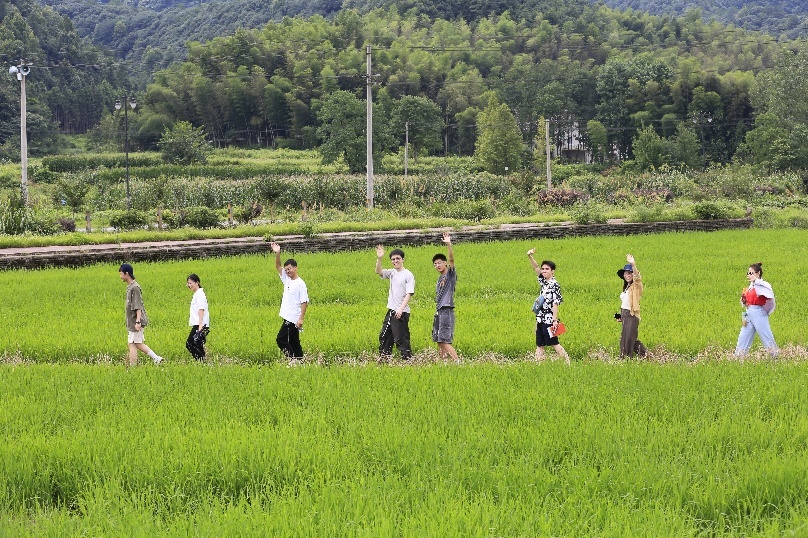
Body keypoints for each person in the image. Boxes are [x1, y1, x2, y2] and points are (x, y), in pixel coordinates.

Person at [527, 249, 569, 363]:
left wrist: (554, 320)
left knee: (554, 343)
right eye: (543, 269)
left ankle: (568, 363)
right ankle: (538, 365)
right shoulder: (544, 281)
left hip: (549, 320)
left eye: (547, 269)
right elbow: (536, 268)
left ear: (552, 271)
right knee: (539, 344)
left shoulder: (554, 285)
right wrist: (530, 256)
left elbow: (555, 303)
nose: (544, 271)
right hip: (540, 318)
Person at [119, 263, 163, 366]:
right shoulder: (130, 287)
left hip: (135, 321)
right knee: (136, 344)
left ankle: (135, 366)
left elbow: (138, 306)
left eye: (121, 274)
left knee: (133, 344)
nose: (120, 276)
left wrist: (138, 321)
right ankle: (155, 358)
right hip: (132, 321)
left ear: (127, 274)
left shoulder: (135, 288)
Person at [270, 242, 308, 362]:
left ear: (295, 268)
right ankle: (300, 361)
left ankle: (293, 360)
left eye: (289, 269)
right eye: (286, 270)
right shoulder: (287, 280)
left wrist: (301, 318)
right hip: (288, 316)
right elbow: (277, 266)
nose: (287, 272)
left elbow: (304, 302)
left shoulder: (300, 284)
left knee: (280, 339)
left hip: (293, 318)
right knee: (293, 341)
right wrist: (278, 253)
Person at [376, 244, 415, 360]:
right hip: (392, 311)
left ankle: (408, 360)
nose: (395, 261)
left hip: (401, 312)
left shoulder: (408, 275)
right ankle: (384, 359)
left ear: (403, 259)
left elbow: (409, 293)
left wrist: (400, 309)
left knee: (401, 339)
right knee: (385, 336)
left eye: (398, 258)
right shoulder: (392, 272)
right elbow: (378, 271)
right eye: (393, 259)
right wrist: (379, 258)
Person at [735, 262, 778, 357]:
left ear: (758, 273)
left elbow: (769, 293)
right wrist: (743, 300)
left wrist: (756, 280)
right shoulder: (749, 287)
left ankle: (775, 357)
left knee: (765, 335)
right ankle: (738, 358)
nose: (749, 275)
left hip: (758, 313)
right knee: (743, 336)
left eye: (751, 273)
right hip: (747, 313)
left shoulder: (762, 284)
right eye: (748, 273)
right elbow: (745, 302)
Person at [432, 232, 459, 362]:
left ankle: (458, 362)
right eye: (435, 264)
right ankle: (443, 364)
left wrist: (448, 244)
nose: (437, 265)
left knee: (444, 339)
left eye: (439, 263)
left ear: (445, 263)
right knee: (438, 340)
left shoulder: (450, 275)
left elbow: (452, 259)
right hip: (439, 310)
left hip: (446, 309)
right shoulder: (439, 279)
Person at [616, 254, 647, 358]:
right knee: (627, 338)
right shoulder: (626, 288)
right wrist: (620, 316)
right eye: (625, 273)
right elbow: (625, 304)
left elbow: (637, 277)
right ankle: (646, 355)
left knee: (629, 338)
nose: (627, 275)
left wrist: (633, 264)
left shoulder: (636, 286)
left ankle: (626, 359)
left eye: (629, 273)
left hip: (632, 315)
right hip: (625, 314)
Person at [185, 273, 210, 361]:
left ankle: (201, 361)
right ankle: (203, 363)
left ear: (197, 282)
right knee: (198, 345)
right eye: (188, 283)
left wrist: (200, 325)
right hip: (200, 323)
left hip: (199, 324)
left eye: (191, 283)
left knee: (189, 343)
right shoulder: (197, 293)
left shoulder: (199, 294)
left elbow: (201, 309)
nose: (189, 285)